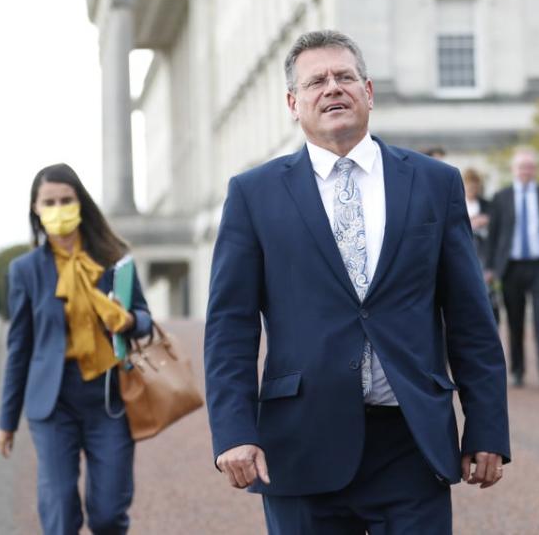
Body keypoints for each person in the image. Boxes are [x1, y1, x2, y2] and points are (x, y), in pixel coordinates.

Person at [204, 30, 510, 534]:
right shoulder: (252, 195)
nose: (332, 88)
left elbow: (469, 316)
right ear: (292, 102)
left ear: (368, 92)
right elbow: (229, 328)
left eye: (345, 77)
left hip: (410, 439)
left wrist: (487, 425)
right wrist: (233, 430)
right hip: (301, 443)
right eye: (316, 81)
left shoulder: (435, 183)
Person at [0, 163, 153, 535]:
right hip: (52, 404)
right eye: (49, 202)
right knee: (61, 512)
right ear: (36, 208)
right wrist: (6, 421)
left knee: (108, 513)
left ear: (80, 203)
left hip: (109, 400)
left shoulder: (115, 259)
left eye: (66, 200)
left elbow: (145, 319)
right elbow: (19, 348)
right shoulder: (25, 271)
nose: (59, 208)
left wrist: (129, 322)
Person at [485, 147, 539, 389]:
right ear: (514, 170)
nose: (525, 171)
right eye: (521, 167)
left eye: (530, 167)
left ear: (535, 170)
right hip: (511, 267)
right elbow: (494, 236)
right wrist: (489, 268)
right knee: (515, 321)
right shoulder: (501, 198)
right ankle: (518, 370)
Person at [463, 168, 499, 324]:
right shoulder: (456, 203)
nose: (472, 190)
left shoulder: (487, 205)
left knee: (487, 296)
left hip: (483, 255)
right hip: (464, 254)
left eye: (475, 186)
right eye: (469, 186)